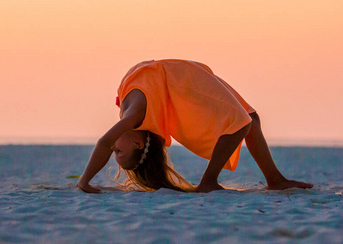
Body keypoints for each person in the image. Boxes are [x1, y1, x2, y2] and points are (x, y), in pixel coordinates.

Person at [77, 59, 313, 193]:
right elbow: (105, 143)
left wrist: (84, 180)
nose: (113, 147)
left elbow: (104, 142)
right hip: (181, 83)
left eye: (116, 152)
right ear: (138, 142)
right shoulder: (134, 119)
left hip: (179, 76)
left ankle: (273, 179)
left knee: (249, 119)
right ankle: (210, 181)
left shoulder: (131, 115)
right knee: (244, 122)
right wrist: (85, 181)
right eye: (118, 152)